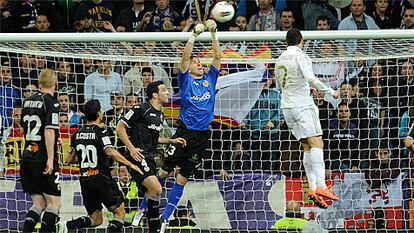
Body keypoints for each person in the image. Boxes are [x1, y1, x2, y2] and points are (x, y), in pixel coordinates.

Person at [156, 19, 220, 233]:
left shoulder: (210, 78)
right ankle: (144, 206)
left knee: (182, 178)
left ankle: (165, 218)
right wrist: (193, 36)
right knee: (164, 173)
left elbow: (218, 57)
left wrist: (214, 33)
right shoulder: (185, 81)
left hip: (202, 137)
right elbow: (184, 58)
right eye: (196, 62)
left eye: (201, 62)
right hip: (183, 132)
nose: (199, 63)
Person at [275, 28, 340, 209]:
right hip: (302, 106)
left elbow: (284, 84)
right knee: (317, 143)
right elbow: (310, 78)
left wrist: (304, 88)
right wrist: (331, 92)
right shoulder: (301, 55)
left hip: (287, 107)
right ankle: (321, 185)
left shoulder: (280, 58)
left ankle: (312, 188)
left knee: (306, 146)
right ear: (301, 40)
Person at [56, 99, 143, 233]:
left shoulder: (76, 134)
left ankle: (65, 226)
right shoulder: (101, 132)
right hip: (101, 178)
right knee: (120, 213)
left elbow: (69, 160)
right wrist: (131, 164)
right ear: (99, 114)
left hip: (85, 180)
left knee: (96, 219)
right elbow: (110, 151)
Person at [116, 80, 186, 233]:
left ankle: (150, 227)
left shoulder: (160, 114)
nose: (168, 93)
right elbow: (120, 128)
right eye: (164, 90)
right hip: (137, 157)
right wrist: (132, 148)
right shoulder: (140, 109)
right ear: (155, 94)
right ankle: (147, 219)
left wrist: (170, 140)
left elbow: (154, 139)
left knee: (153, 193)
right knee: (157, 189)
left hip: (150, 157)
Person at [20, 69, 61, 232]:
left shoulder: (27, 101)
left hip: (28, 155)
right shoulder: (52, 102)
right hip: (42, 158)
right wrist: (50, 158)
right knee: (54, 204)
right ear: (54, 84)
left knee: (39, 204)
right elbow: (49, 131)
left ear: (39, 83)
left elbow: (25, 128)